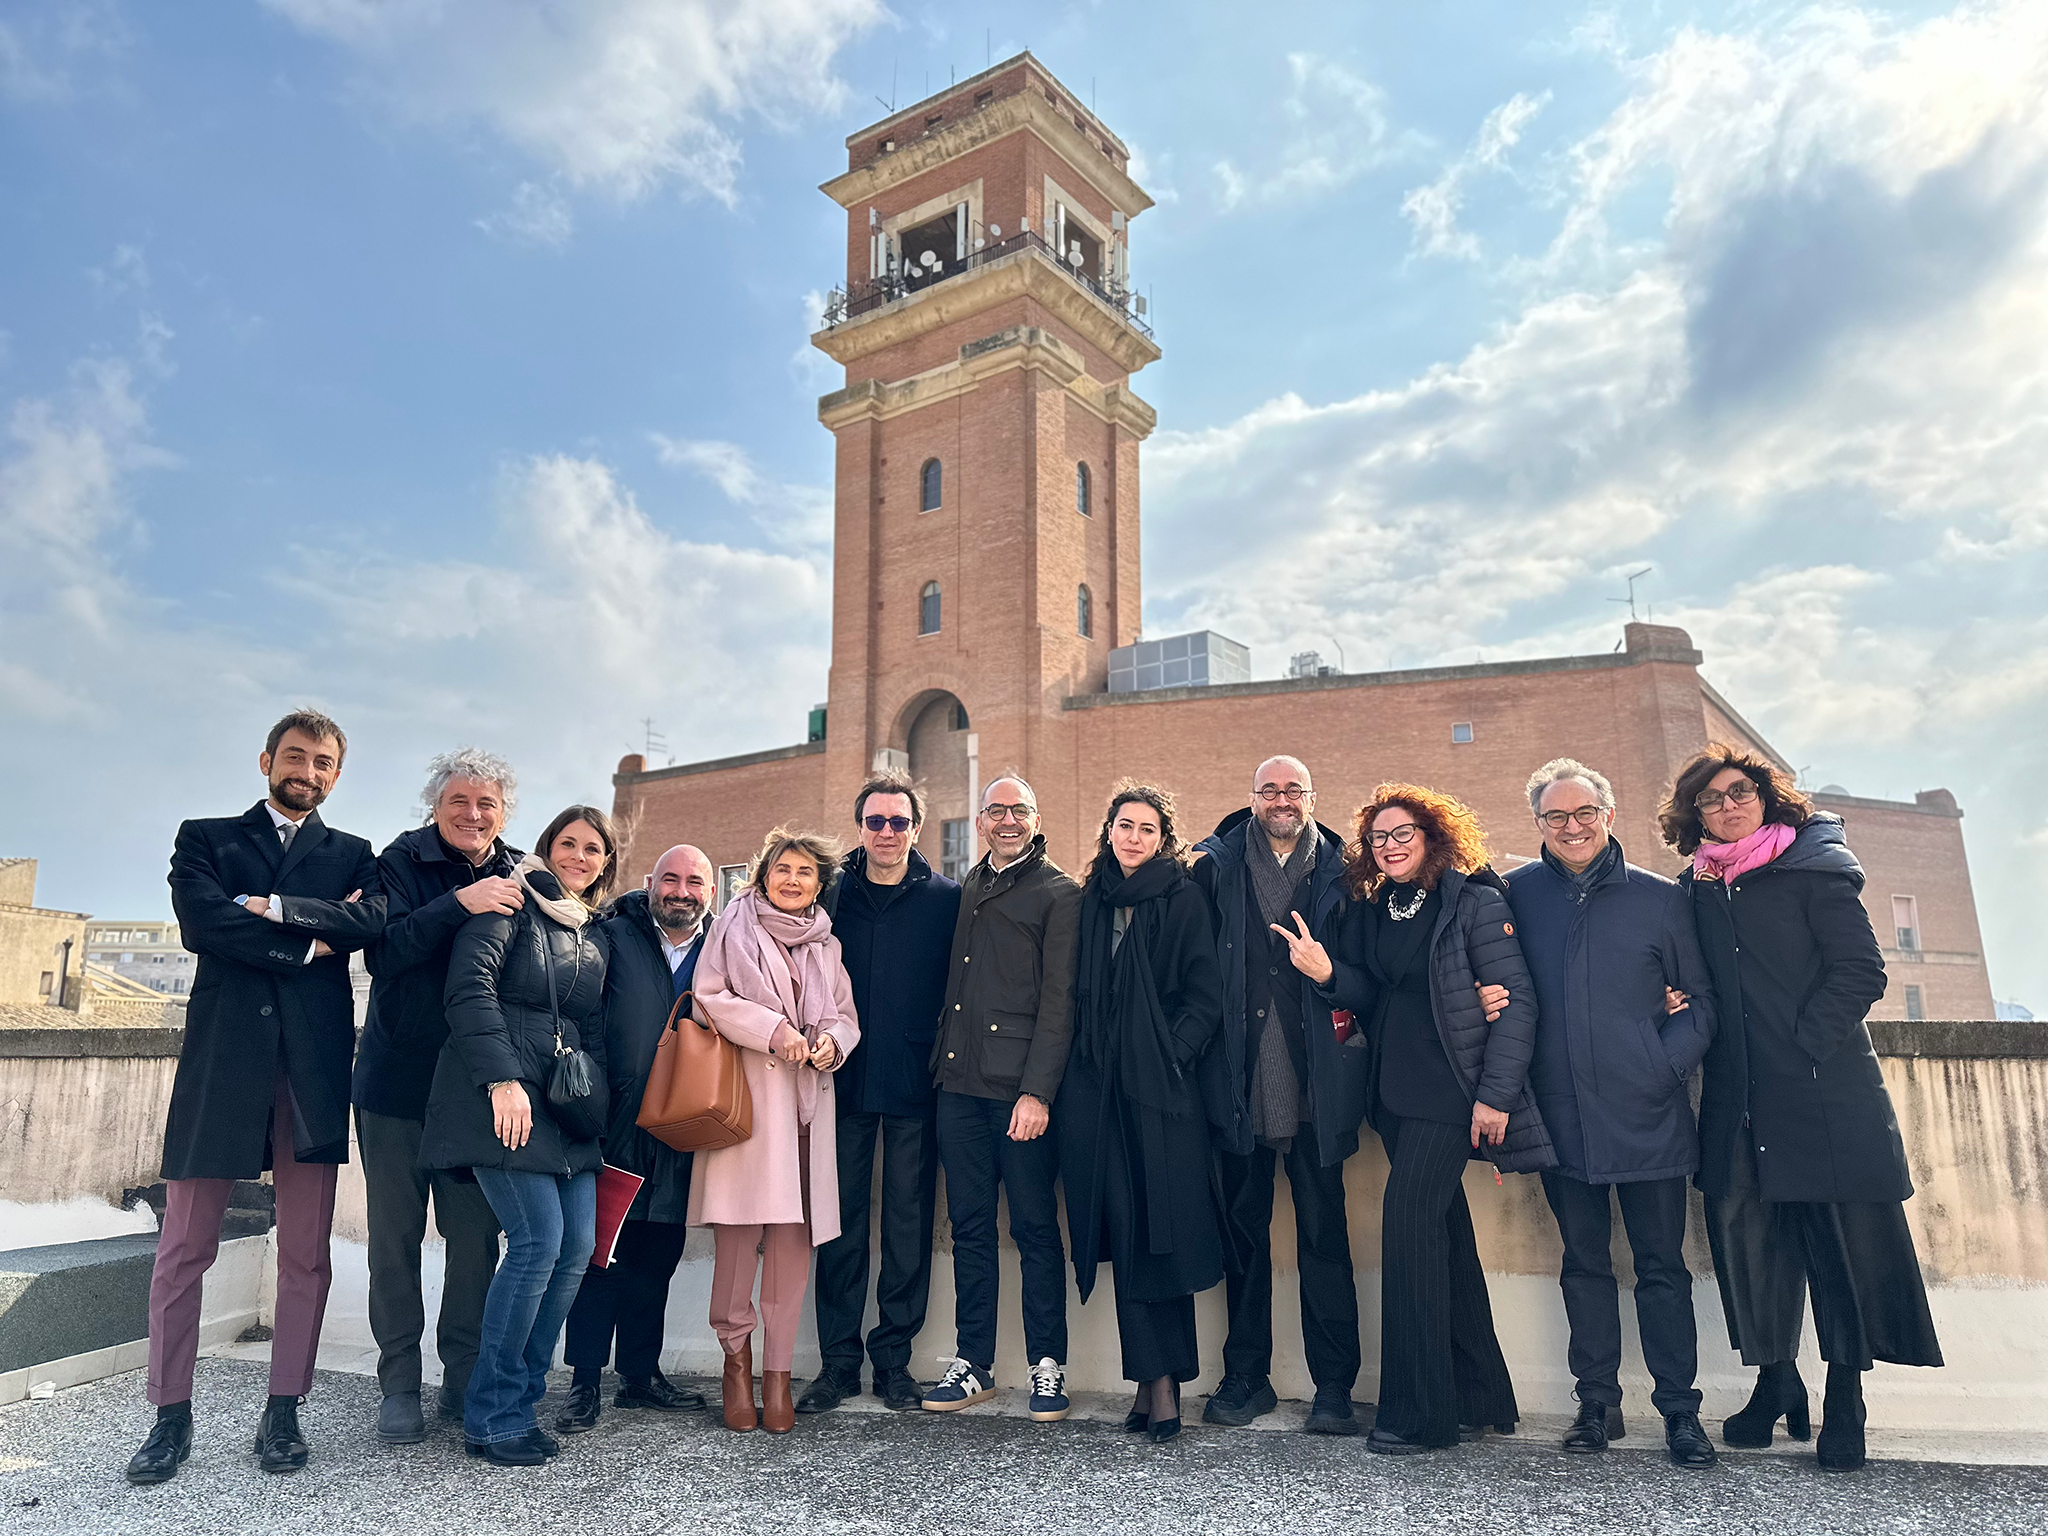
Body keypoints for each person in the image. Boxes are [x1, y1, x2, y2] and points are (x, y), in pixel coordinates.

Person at [1660, 745, 1942, 1472]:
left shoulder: (1815, 870)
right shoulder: (1696, 887)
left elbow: (1861, 971)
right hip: (1735, 1097)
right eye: (1711, 799)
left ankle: (1845, 1398)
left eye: (1740, 791)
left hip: (1821, 1093)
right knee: (1751, 1248)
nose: (1727, 805)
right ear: (1696, 817)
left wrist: (1804, 1047)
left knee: (1835, 1253)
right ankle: (1776, 1381)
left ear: (1767, 796)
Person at [127, 710, 385, 1486]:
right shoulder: (204, 837)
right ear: (267, 759)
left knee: (305, 1254)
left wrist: (271, 913)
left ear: (337, 775)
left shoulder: (355, 853)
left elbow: (370, 920)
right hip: (221, 1068)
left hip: (311, 1073)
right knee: (183, 1249)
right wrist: (311, 941)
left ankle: (284, 1411)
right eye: (296, 755)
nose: (308, 769)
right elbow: (202, 923)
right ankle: (170, 1417)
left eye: (325, 761)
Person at [1279, 782, 1553, 1455]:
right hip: (1395, 1099)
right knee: (1447, 1238)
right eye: (1379, 837)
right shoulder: (1380, 907)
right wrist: (1325, 972)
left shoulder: (1475, 901)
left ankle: (1417, 1417)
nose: (1391, 845)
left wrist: (1495, 1096)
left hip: (1451, 1096)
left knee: (1407, 1235)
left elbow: (1516, 1006)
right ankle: (1478, 1396)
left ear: (1433, 836)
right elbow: (1375, 993)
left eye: (1404, 833)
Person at [1505, 758, 1718, 1468]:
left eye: (1584, 813)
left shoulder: (1661, 900)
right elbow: (1495, 986)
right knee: (1584, 1264)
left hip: (1648, 1112)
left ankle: (1681, 1413)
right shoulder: (1514, 897)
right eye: (1556, 817)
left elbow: (1701, 1003)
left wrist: (1661, 1065)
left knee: (1662, 1267)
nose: (1571, 827)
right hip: (1559, 1117)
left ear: (1609, 815)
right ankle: (1596, 1405)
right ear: (1538, 824)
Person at [422, 805, 616, 1466]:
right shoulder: (507, 905)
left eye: (593, 848)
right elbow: (468, 991)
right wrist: (503, 1081)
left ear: (605, 864)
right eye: (568, 843)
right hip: (502, 1100)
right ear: (547, 848)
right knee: (537, 1243)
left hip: (567, 1111)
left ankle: (520, 1395)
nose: (580, 856)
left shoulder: (597, 934)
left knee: (579, 1244)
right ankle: (492, 1412)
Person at [1189, 755, 1367, 1435]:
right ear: (1253, 798)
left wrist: (1330, 974)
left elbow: (1370, 975)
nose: (1282, 799)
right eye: (1270, 790)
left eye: (1294, 789)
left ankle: (1333, 1387)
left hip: (1320, 1083)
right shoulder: (1216, 866)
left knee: (1326, 1238)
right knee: (1244, 1238)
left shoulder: (1347, 873)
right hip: (1238, 1083)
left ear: (1312, 797)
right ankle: (1246, 1377)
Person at [352, 749, 520, 1444]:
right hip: (395, 1085)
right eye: (460, 800)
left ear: (502, 812)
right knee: (393, 1241)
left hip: (472, 1093)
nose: (473, 814)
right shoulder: (398, 861)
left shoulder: (518, 873)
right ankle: (398, 1385)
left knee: (476, 1240)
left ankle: (462, 1377)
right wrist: (459, 903)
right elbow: (382, 952)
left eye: (487, 804)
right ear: (436, 804)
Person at [1058, 782, 1225, 1443]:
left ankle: (1166, 1387)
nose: (1134, 837)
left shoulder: (1181, 896)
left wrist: (1170, 1057)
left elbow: (1205, 997)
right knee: (1127, 1237)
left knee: (1164, 1239)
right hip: (1098, 1096)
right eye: (1124, 825)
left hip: (1161, 1099)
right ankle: (1145, 1379)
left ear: (1163, 838)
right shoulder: (1091, 898)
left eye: (1147, 829)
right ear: (1109, 831)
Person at [690, 827, 861, 1435]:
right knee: (738, 1245)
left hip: (807, 1109)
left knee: (793, 1248)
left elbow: (845, 1015)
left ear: (820, 885)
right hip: (749, 1107)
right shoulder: (732, 926)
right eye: (783, 868)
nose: (793, 879)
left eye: (806, 872)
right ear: (763, 875)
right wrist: (775, 1031)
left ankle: (779, 1378)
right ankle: (737, 1366)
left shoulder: (828, 946)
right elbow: (707, 998)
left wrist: (830, 1042)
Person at [801, 776, 962, 1415]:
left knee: (907, 1223)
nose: (887, 832)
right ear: (859, 827)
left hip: (917, 1082)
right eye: (875, 821)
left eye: (898, 822)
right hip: (838, 1081)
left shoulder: (947, 899)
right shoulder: (829, 895)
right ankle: (838, 1362)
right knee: (836, 1224)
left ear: (916, 829)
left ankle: (893, 1360)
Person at [923, 775, 1082, 1421]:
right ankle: (973, 1364)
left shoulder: (1060, 893)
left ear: (1035, 818)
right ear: (981, 820)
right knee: (969, 1230)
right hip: (957, 1088)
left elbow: (1059, 1003)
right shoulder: (967, 892)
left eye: (1019, 810)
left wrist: (1038, 1091)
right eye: (997, 810)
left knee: (1037, 1230)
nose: (1008, 819)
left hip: (1020, 1095)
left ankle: (1048, 1366)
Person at [557, 844, 719, 1432]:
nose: (681, 890)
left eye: (694, 881)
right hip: (614, 1122)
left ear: (711, 891)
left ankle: (640, 1377)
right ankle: (583, 1382)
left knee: (657, 1256)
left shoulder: (720, 949)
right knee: (599, 1256)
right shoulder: (614, 935)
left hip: (682, 1124)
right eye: (670, 878)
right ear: (651, 882)